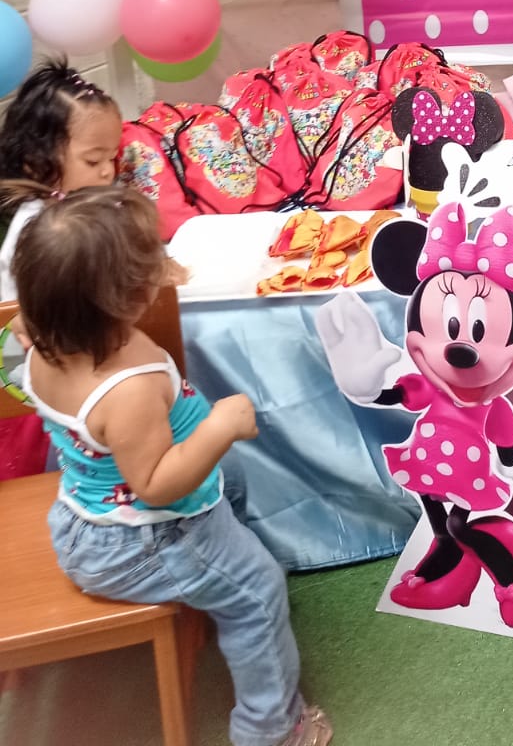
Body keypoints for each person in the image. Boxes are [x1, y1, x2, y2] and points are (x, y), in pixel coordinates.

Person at [14, 185, 331, 746]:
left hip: (88, 515)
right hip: (151, 538)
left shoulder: (42, 339)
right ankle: (274, 730)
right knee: (258, 593)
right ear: (130, 298)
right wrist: (219, 427)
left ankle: (224, 567)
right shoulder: (128, 391)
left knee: (232, 481)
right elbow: (157, 485)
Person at [0, 60, 124, 302]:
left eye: (112, 157)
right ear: (38, 162)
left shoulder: (92, 203)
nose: (108, 171)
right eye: (93, 161)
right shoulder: (36, 232)